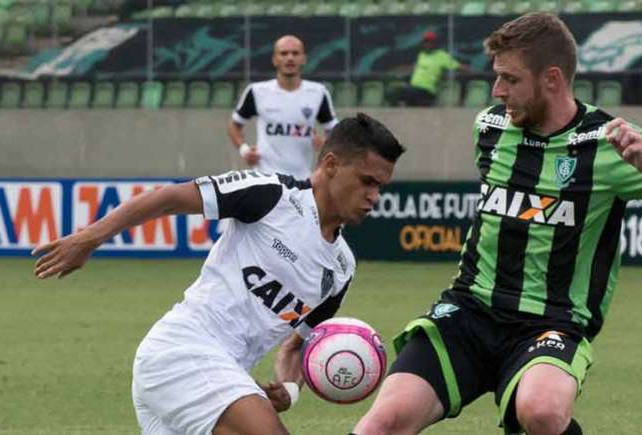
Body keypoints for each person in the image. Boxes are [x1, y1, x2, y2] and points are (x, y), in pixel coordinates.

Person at [354, 13, 642, 435]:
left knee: (542, 413)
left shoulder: (607, 142)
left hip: (551, 322)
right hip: (470, 311)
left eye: (510, 80)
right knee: (382, 423)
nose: (497, 91)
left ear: (551, 78)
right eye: (497, 78)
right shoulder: (491, 128)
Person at [33, 113, 405, 435]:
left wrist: (289, 390)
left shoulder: (341, 268)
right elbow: (169, 198)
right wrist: (88, 239)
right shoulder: (270, 195)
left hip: (224, 376)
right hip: (182, 352)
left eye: (381, 187)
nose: (374, 196)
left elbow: (297, 345)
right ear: (330, 165)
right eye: (367, 181)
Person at [228, 35, 338, 180]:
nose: (290, 58)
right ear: (275, 59)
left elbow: (335, 131)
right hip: (265, 178)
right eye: (284, 53)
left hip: (302, 180)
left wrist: (326, 144)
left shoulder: (318, 92)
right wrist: (244, 150)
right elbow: (234, 125)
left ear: (303, 58)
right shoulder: (257, 91)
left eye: (295, 53)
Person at [388, 30, 471, 107]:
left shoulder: (441, 56)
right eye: (426, 42)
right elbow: (415, 67)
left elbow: (458, 66)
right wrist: (398, 69)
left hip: (427, 91)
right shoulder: (421, 55)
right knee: (394, 91)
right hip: (414, 88)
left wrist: (470, 71)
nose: (427, 44)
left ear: (435, 43)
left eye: (430, 42)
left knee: (402, 93)